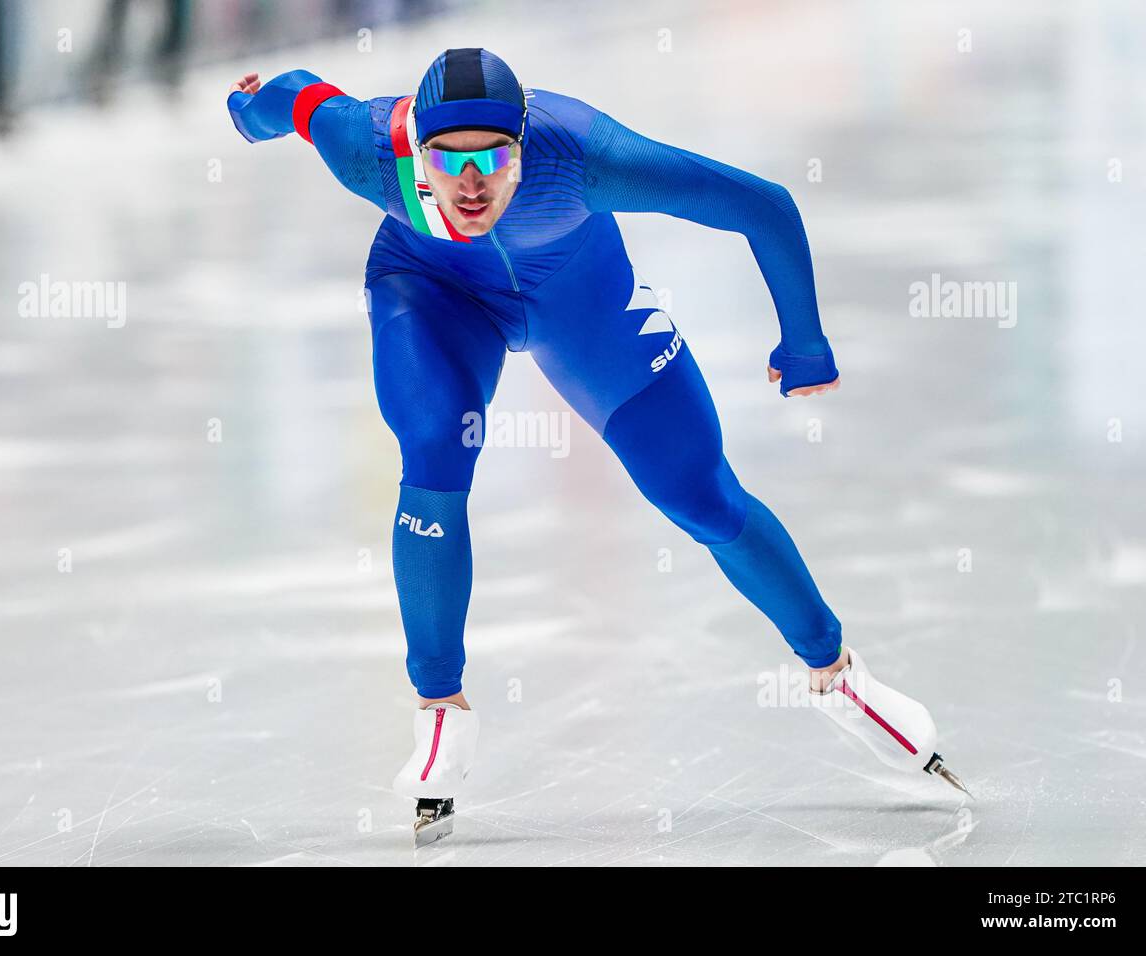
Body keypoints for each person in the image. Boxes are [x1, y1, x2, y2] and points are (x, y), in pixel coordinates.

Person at [226, 48, 967, 845]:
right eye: (450, 161)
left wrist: (806, 341)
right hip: (434, 291)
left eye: (494, 158)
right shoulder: (363, 145)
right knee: (435, 445)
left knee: (699, 494)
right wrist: (250, 109)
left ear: (524, 145)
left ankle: (838, 674)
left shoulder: (583, 156)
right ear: (416, 152)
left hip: (579, 297)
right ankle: (441, 706)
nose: (471, 184)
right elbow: (301, 101)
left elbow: (764, 205)